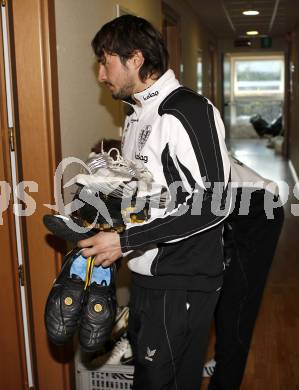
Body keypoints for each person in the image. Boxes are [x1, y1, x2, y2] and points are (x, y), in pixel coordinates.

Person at [78, 15, 231, 390]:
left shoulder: (187, 111)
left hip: (181, 280)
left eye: (105, 61)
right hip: (148, 275)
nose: (101, 74)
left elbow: (215, 201)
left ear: (135, 59)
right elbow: (154, 193)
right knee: (149, 379)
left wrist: (124, 242)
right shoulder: (136, 115)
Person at [203, 156, 284, 389]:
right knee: (219, 291)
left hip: (261, 214)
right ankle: (221, 361)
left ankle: (225, 381)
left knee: (236, 307)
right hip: (232, 209)